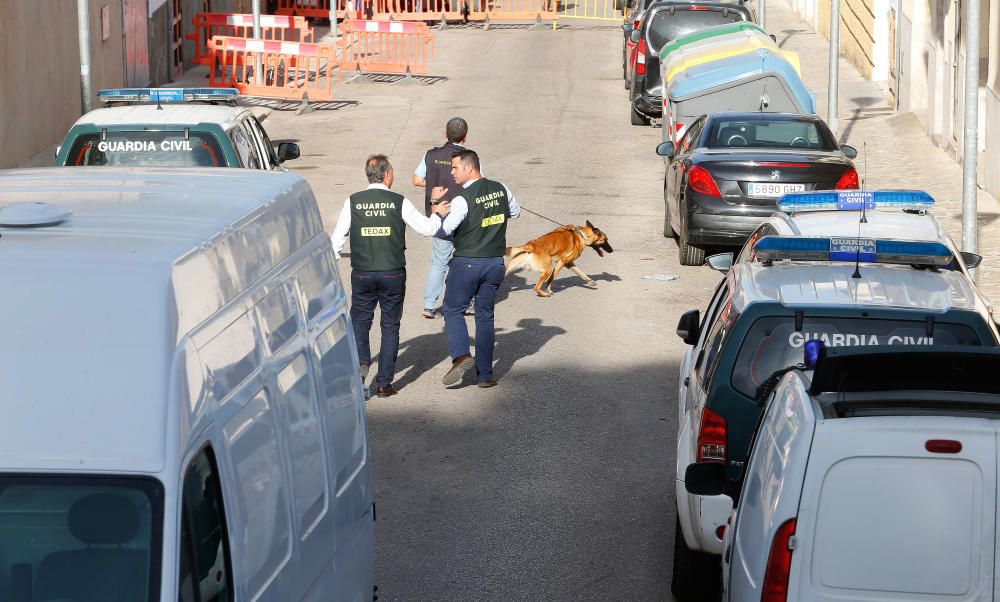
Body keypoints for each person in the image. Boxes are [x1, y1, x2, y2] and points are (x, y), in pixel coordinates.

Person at [331, 154, 440, 397]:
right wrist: (437, 210)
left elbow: (336, 241)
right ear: (387, 175)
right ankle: (383, 383)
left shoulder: (353, 202)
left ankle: (361, 360)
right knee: (390, 326)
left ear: (368, 176)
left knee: (360, 321)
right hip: (392, 274)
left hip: (362, 273)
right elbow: (427, 229)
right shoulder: (398, 201)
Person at [429, 149, 520, 388]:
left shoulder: (462, 199)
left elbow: (444, 230)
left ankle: (461, 356)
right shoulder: (502, 188)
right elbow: (515, 212)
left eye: (455, 167)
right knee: (485, 316)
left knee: (452, 310)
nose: (451, 172)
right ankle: (486, 374)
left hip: (467, 262)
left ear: (469, 168)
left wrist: (436, 208)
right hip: (495, 263)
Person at [412, 117, 476, 319]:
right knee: (465, 260)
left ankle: (429, 306)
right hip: (464, 217)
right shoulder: (470, 158)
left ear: (445, 134)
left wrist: (435, 184)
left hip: (438, 214)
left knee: (438, 262)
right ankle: (464, 302)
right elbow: (478, 183)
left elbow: (416, 180)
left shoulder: (430, 155)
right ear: (465, 137)